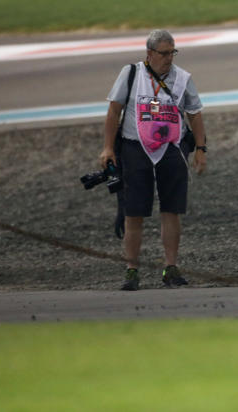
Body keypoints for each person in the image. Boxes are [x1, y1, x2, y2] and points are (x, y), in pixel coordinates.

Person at [100, 29, 207, 290]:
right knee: (133, 212)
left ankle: (170, 268)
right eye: (164, 53)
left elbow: (195, 113)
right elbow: (114, 111)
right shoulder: (131, 74)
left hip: (172, 149)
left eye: (172, 52)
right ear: (150, 54)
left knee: (172, 210)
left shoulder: (183, 78)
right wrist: (107, 148)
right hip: (135, 149)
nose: (169, 58)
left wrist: (201, 148)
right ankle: (132, 271)